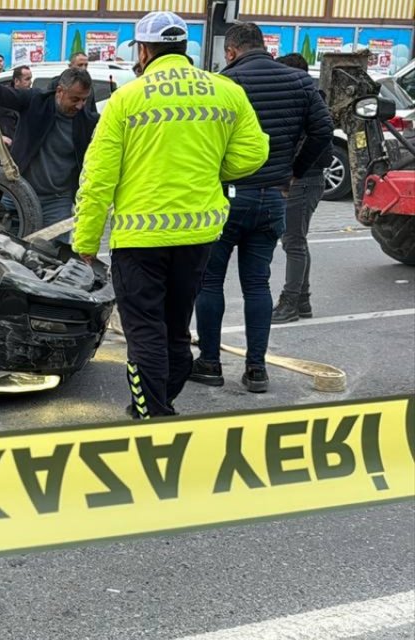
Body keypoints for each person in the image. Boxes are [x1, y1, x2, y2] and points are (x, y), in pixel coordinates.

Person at [71, 11, 269, 419]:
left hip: (140, 239)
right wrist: (211, 167)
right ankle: (166, 403)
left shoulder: (128, 98)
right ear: (185, 48)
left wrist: (86, 243)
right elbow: (254, 152)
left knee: (144, 332)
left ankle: (153, 414)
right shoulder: (225, 90)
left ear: (143, 51)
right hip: (199, 234)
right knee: (176, 327)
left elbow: (97, 179)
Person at [191, 22, 333, 393]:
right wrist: (293, 172)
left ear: (232, 51)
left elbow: (202, 138)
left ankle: (209, 363)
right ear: (263, 46)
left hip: (226, 196)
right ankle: (256, 370)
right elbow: (323, 131)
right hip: (273, 196)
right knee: (257, 283)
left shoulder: (223, 83)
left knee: (210, 281)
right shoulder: (299, 82)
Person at [0, 58, 98, 243]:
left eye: (84, 100)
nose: (80, 105)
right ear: (60, 91)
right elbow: (0, 94)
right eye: (75, 99)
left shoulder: (88, 121)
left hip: (57, 202)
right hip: (18, 193)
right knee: (5, 248)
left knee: (53, 256)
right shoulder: (35, 101)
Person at [272, 52, 330, 324]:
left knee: (293, 241)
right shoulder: (308, 99)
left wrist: (294, 171)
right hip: (305, 178)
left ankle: (290, 301)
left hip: (304, 179)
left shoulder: (309, 103)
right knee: (295, 240)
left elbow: (319, 144)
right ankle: (302, 299)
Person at [0, 65, 32, 146]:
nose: (30, 82)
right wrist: (0, 137)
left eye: (30, 78)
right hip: (8, 150)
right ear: (17, 81)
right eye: (27, 79)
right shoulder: (4, 100)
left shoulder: (31, 98)